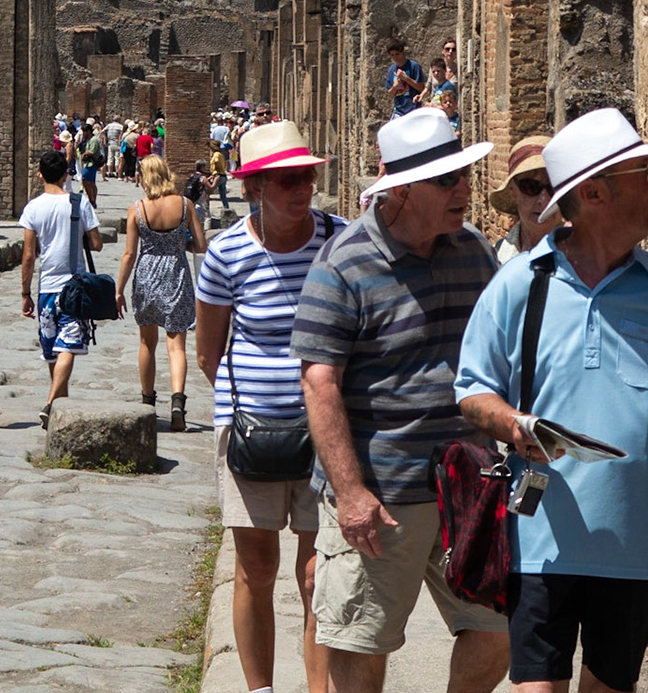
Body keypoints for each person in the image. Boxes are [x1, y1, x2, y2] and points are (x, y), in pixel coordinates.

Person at [456, 108, 648, 693]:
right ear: (594, 193)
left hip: (635, 547)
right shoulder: (520, 284)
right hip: (539, 541)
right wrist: (514, 425)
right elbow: (471, 391)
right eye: (646, 172)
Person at [292, 107, 512, 693]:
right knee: (361, 643)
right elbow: (320, 382)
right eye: (448, 179)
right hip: (380, 494)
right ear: (403, 190)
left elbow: (501, 351)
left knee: (496, 629)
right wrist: (350, 492)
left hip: (467, 485)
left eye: (464, 174)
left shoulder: (475, 253)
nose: (465, 188)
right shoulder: (343, 263)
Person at [196, 120, 343, 693]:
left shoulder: (338, 240)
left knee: (317, 575)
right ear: (255, 187)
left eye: (305, 175)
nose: (301, 188)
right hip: (251, 429)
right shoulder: (228, 252)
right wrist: (248, 409)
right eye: (285, 180)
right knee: (257, 570)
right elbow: (210, 352)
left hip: (326, 431)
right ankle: (260, 690)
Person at [115, 154, 205, 432]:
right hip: (176, 274)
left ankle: (147, 402)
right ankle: (178, 402)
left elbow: (130, 254)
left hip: (147, 275)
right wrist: (179, 247)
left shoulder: (138, 208)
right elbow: (201, 245)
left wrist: (118, 289)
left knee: (146, 344)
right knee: (176, 346)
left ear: (144, 177)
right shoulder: (185, 204)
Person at [18, 149, 102, 428]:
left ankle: (55, 405)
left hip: (47, 288)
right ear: (67, 174)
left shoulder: (33, 208)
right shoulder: (79, 203)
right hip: (74, 286)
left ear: (39, 174)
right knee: (68, 347)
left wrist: (25, 293)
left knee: (53, 350)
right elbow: (97, 243)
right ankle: (54, 402)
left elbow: (29, 255)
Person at [487, 134, 558, 264]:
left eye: (553, 187)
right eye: (531, 187)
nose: (544, 200)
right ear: (513, 192)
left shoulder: (589, 258)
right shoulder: (495, 259)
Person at [382, 39, 426, 119]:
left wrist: (406, 79)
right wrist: (395, 86)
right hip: (399, 111)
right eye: (392, 55)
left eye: (397, 54)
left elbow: (421, 88)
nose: (395, 57)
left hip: (414, 109)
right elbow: (390, 94)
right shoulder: (391, 70)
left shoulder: (414, 66)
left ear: (402, 52)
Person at [79, 120, 105, 206]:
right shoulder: (89, 139)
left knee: (86, 180)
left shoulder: (93, 140)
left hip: (91, 163)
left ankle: (92, 199)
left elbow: (92, 151)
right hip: (88, 163)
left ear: (88, 131)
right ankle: (92, 199)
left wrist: (84, 154)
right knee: (90, 182)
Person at [208, 144, 233, 214]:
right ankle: (227, 209)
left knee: (208, 191)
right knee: (223, 195)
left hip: (218, 175)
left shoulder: (216, 155)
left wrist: (215, 169)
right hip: (223, 175)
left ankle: (206, 211)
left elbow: (216, 161)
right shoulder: (221, 154)